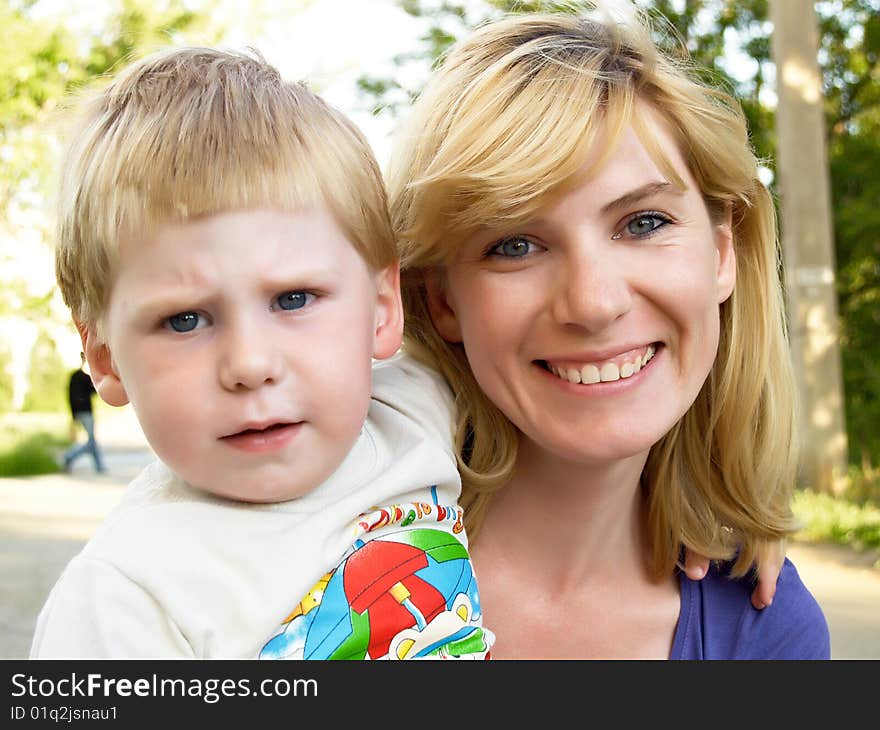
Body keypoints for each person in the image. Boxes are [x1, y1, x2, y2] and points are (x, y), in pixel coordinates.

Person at [385, 4, 830, 658]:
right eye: (514, 244)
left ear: (721, 253)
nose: (593, 303)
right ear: (440, 300)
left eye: (644, 223)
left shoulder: (768, 634)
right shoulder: (308, 556)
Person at [31, 47, 492, 660]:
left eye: (294, 298)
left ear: (382, 307)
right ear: (106, 357)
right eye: (185, 319)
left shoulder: (415, 409)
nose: (250, 364)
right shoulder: (123, 599)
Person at [61, 351, 105, 473]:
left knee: (92, 440)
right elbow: (97, 391)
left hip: (79, 412)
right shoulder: (85, 377)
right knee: (91, 441)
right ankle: (69, 456)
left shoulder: (75, 376)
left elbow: (69, 397)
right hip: (86, 412)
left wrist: (73, 414)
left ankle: (99, 466)